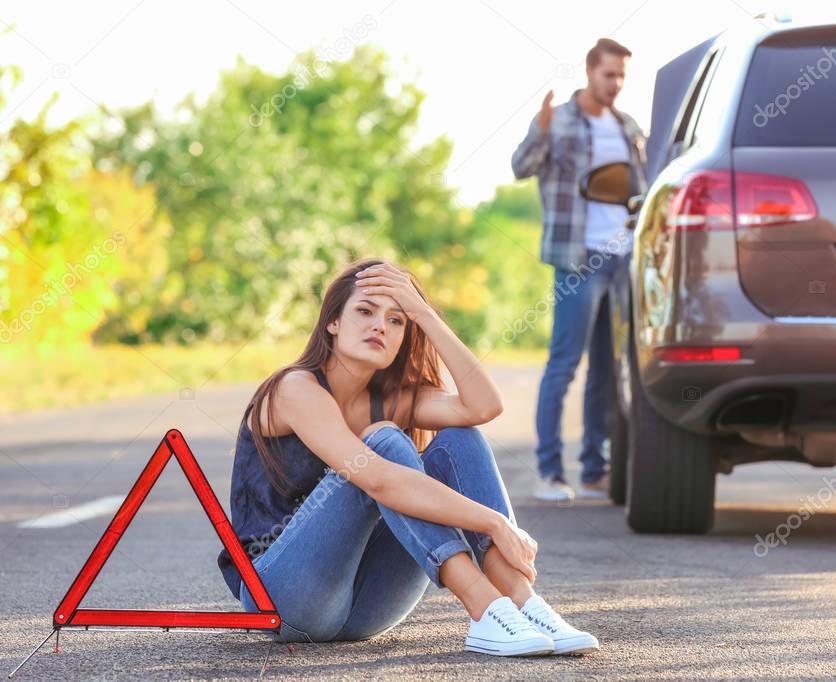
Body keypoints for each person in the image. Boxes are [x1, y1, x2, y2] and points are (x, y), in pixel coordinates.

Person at [215, 258, 598, 656]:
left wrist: (424, 314)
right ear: (333, 322)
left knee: (458, 440)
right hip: (283, 598)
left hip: (366, 609)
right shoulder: (295, 388)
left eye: (397, 320)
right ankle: (486, 608)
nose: (380, 325)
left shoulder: (393, 398)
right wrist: (495, 522)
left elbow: (482, 406)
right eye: (364, 311)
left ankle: (523, 601)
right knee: (384, 445)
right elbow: (380, 480)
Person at [512, 38, 647, 502]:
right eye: (609, 74)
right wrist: (540, 131)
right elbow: (520, 167)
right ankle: (549, 473)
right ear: (590, 71)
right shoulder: (560, 120)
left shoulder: (627, 125)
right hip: (579, 258)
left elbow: (641, 191)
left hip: (622, 260)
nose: (616, 83)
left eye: (622, 76)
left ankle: (594, 470)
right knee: (564, 365)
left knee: (608, 369)